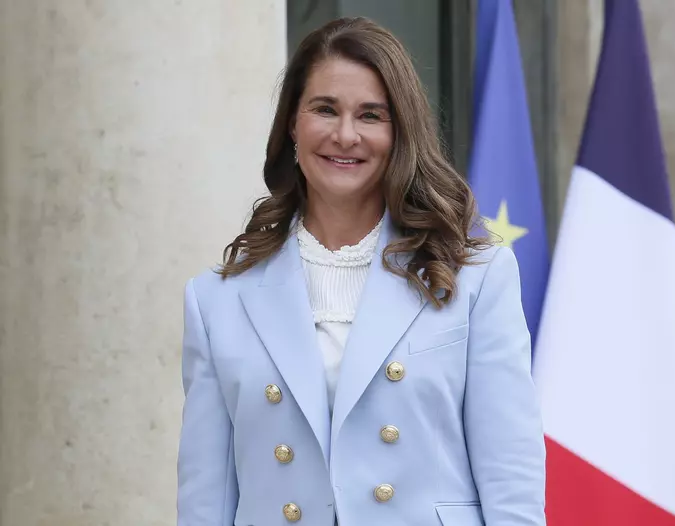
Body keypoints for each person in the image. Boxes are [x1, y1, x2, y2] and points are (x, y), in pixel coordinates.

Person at [176, 16, 546, 526]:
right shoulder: (216, 301)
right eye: (324, 109)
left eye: (371, 116)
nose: (345, 135)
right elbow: (205, 503)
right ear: (292, 124)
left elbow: (512, 481)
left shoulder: (475, 277)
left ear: (401, 133)